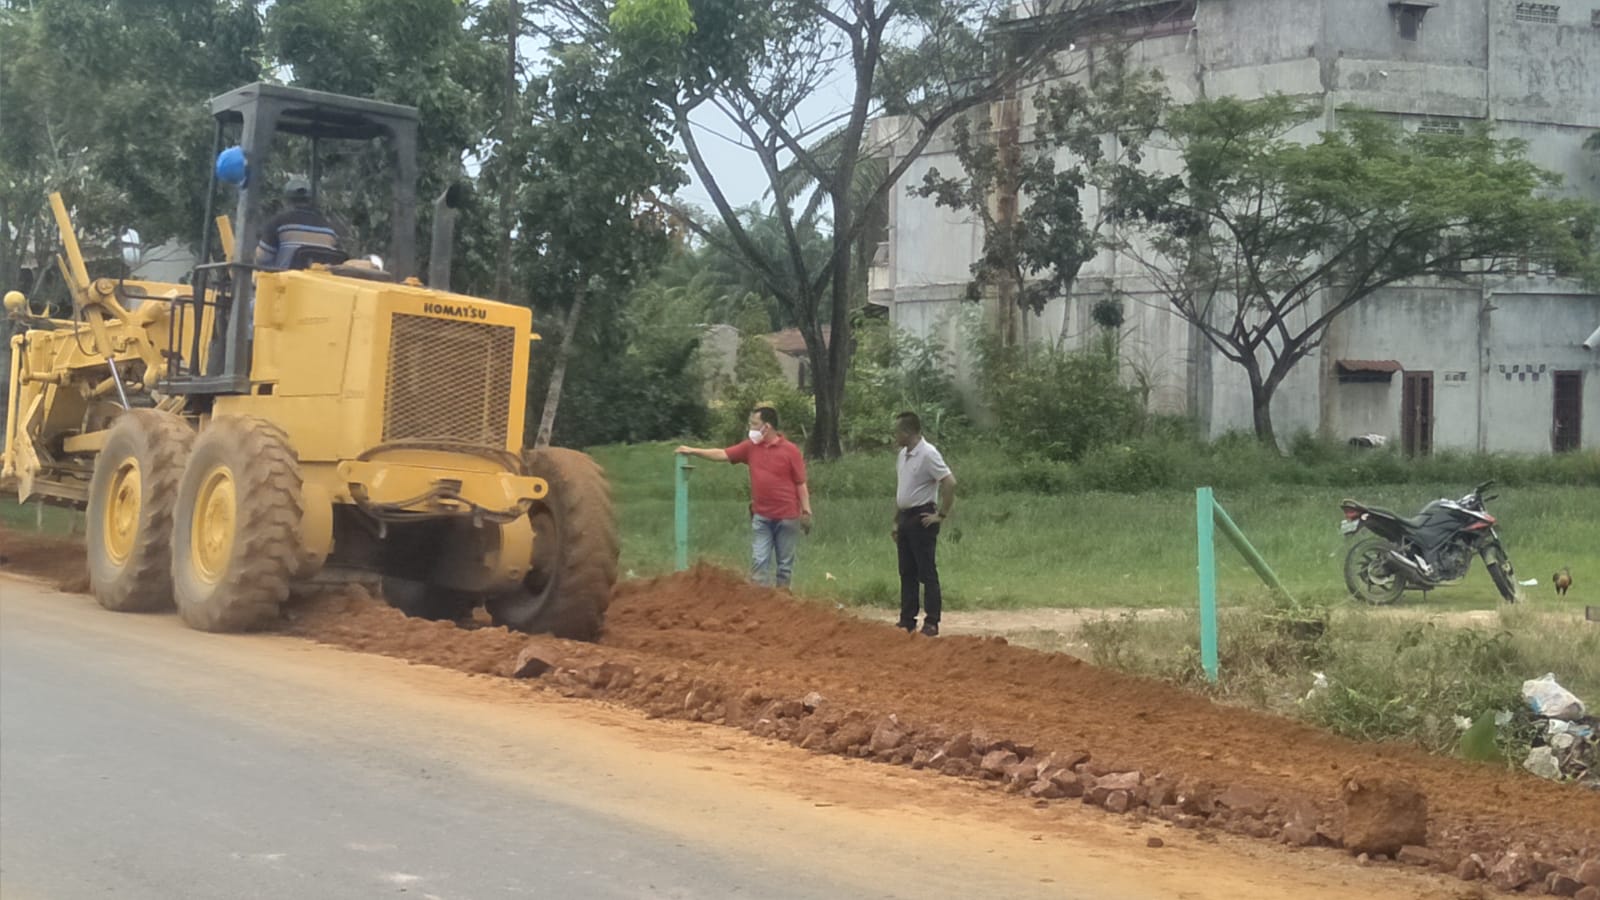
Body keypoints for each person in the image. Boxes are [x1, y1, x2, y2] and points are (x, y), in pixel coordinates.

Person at [676, 407, 812, 588]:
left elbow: (800, 483)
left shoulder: (790, 451)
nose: (751, 428)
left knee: (784, 567)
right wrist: (692, 451)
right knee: (759, 561)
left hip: (787, 517)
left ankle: (782, 602)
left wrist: (806, 511)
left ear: (767, 426)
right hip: (762, 516)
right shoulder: (750, 448)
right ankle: (760, 602)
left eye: (755, 424)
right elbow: (722, 454)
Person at [892, 411, 955, 636]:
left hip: (922, 517)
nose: (895, 436)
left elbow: (949, 482)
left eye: (898, 431)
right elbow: (903, 490)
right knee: (906, 570)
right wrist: (896, 520)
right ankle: (907, 618)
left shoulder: (928, 454)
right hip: (906, 516)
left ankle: (932, 621)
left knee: (926, 571)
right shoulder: (903, 455)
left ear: (908, 432)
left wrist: (941, 514)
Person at [255, 176, 341, 270]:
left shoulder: (278, 223)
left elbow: (262, 258)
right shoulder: (330, 230)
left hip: (286, 283)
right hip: (320, 283)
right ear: (310, 201)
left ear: (286, 201)